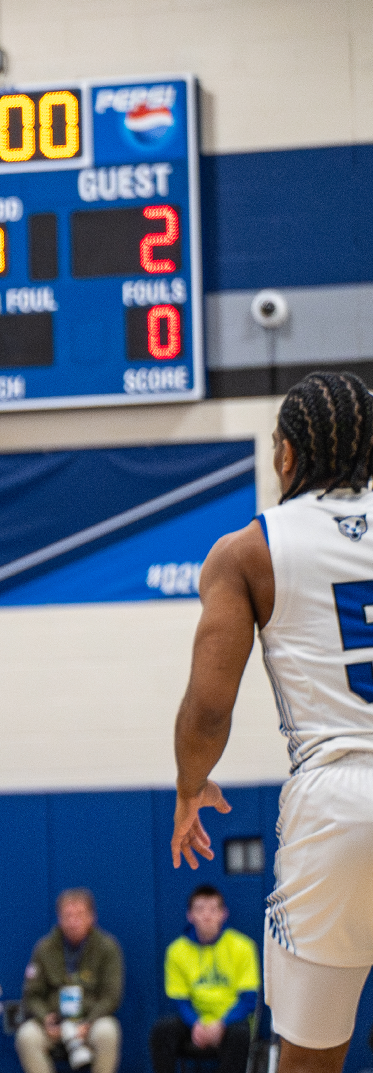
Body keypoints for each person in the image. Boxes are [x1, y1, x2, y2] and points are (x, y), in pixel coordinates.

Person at [171, 370, 373, 1073]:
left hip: (338, 803)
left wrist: (190, 785)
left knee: (310, 1059)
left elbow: (208, 707)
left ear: (286, 455)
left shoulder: (247, 551)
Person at [150, 886, 258, 1073]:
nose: (207, 916)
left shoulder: (243, 946)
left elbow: (249, 999)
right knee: (162, 1031)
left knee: (240, 1034)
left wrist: (221, 1024)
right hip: (195, 1022)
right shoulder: (176, 951)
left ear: (223, 914)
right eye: (200, 909)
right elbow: (180, 1000)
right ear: (190, 915)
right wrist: (196, 1024)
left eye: (213, 910)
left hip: (231, 1021)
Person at [17, 889, 123, 1073]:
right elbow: (31, 995)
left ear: (92, 918)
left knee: (108, 1032)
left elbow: (111, 997)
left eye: (80, 915)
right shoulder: (44, 948)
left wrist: (88, 1023)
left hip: (91, 1021)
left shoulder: (108, 947)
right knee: (26, 1036)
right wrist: (46, 1019)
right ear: (59, 918)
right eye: (68, 916)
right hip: (55, 1023)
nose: (74, 922)